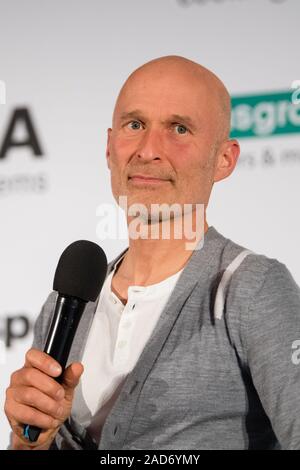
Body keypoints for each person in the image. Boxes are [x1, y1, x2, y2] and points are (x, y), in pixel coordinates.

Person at [4, 55, 300, 450]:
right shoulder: (68, 304)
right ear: (109, 147)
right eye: (135, 125)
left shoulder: (253, 287)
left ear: (224, 159)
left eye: (179, 128)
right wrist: (28, 445)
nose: (147, 150)